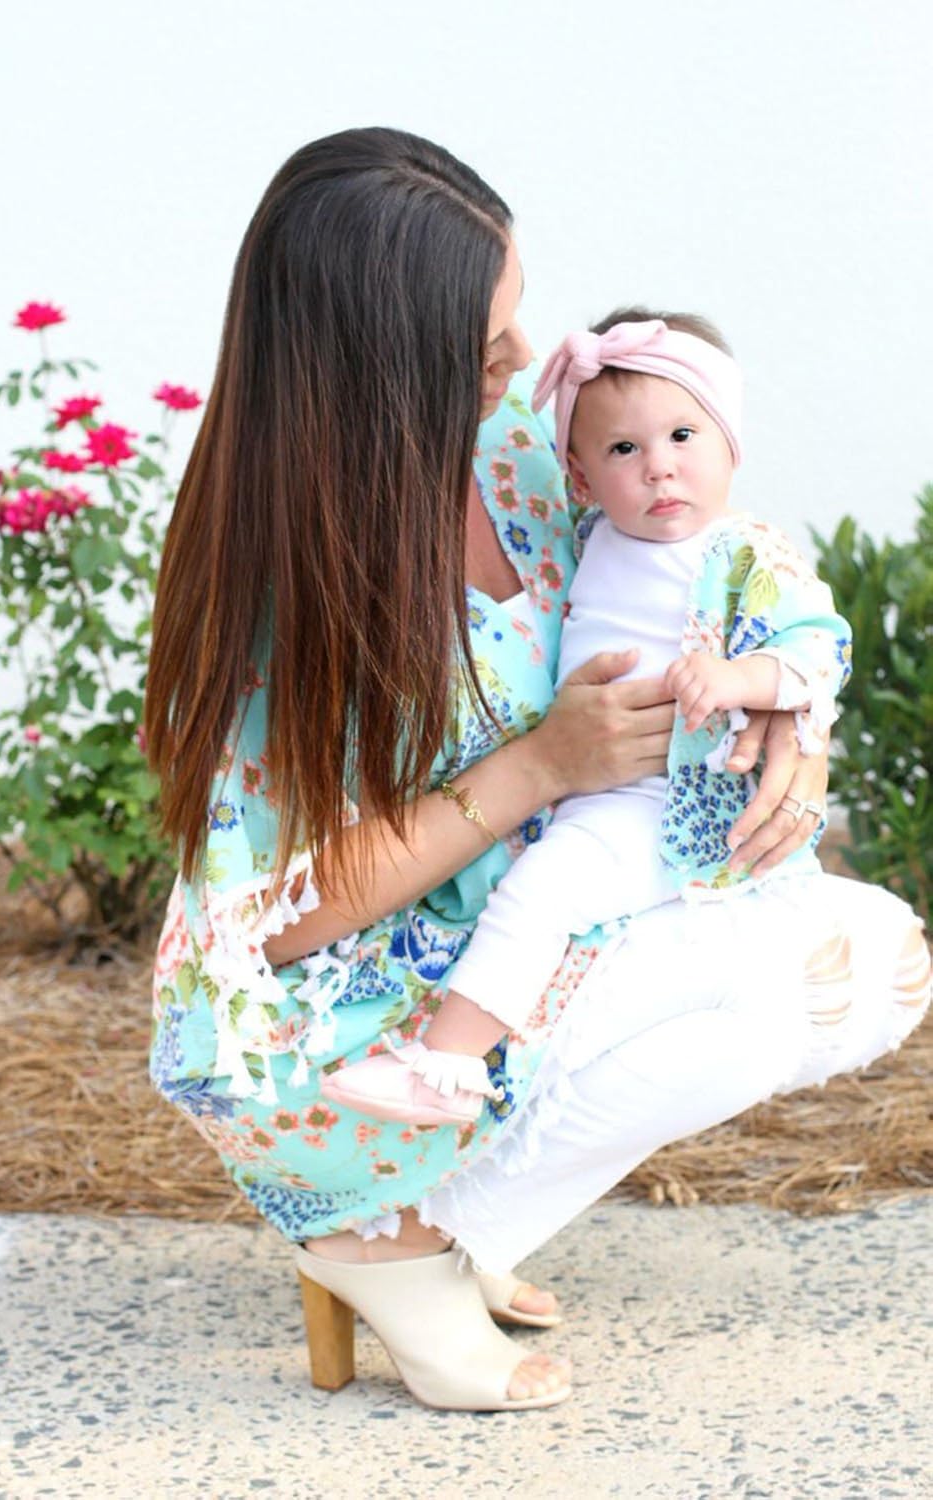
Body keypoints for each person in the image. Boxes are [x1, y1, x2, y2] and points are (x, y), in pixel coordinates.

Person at [145, 127, 930, 1413]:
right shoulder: (289, 578)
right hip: (359, 990)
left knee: (875, 965)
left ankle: (446, 1231)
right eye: (486, 341)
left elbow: (693, 539)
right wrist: (536, 766)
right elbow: (270, 925)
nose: (527, 358)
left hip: (553, 901)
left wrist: (795, 710)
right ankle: (381, 1241)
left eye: (515, 314)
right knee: (793, 972)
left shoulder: (515, 442)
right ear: (380, 366)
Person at [321, 309, 854, 1126]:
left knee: (546, 894)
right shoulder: (591, 535)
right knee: (546, 907)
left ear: (729, 443)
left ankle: (449, 1068)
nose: (659, 470)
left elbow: (819, 647)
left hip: (662, 801)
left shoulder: (744, 553)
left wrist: (740, 677)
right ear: (579, 476)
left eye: (683, 436)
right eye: (624, 451)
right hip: (593, 792)